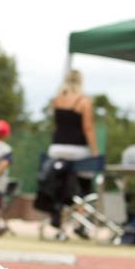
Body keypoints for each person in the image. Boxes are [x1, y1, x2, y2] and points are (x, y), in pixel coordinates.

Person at [42, 68, 100, 240]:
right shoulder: (84, 101)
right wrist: (95, 152)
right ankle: (80, 222)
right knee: (85, 184)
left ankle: (57, 216)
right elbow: (88, 128)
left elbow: (58, 124)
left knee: (60, 182)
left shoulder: (57, 100)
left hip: (57, 148)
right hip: (77, 149)